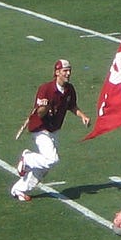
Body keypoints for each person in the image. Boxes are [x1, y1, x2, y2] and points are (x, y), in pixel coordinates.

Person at [10, 59, 89, 202]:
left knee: (44, 168)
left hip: (54, 129)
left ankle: (20, 189)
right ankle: (26, 158)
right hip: (40, 128)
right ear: (57, 72)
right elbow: (39, 113)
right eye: (65, 71)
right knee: (52, 159)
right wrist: (44, 107)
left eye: (69, 70)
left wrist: (82, 116)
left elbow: (72, 106)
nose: (68, 73)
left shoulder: (69, 89)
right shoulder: (45, 89)